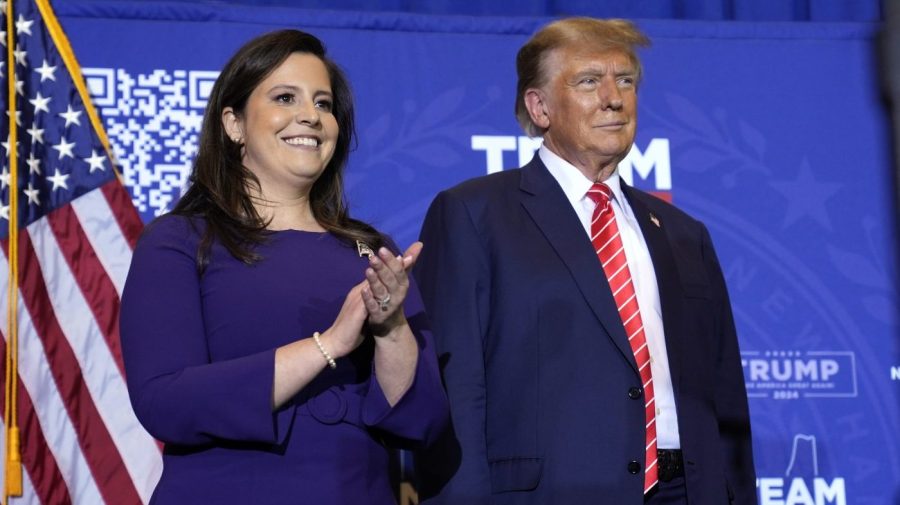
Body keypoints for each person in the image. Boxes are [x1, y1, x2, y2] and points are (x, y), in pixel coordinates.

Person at [414, 17, 756, 505]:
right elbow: (456, 385)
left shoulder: (684, 233)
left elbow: (725, 396)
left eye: (626, 80)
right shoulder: (473, 214)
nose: (613, 98)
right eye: (589, 81)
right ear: (540, 107)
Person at [120, 29, 448, 504]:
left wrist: (392, 328)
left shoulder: (372, 251)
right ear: (233, 123)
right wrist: (329, 345)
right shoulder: (179, 241)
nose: (310, 116)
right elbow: (165, 402)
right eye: (285, 98)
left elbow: (423, 421)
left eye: (323, 103)